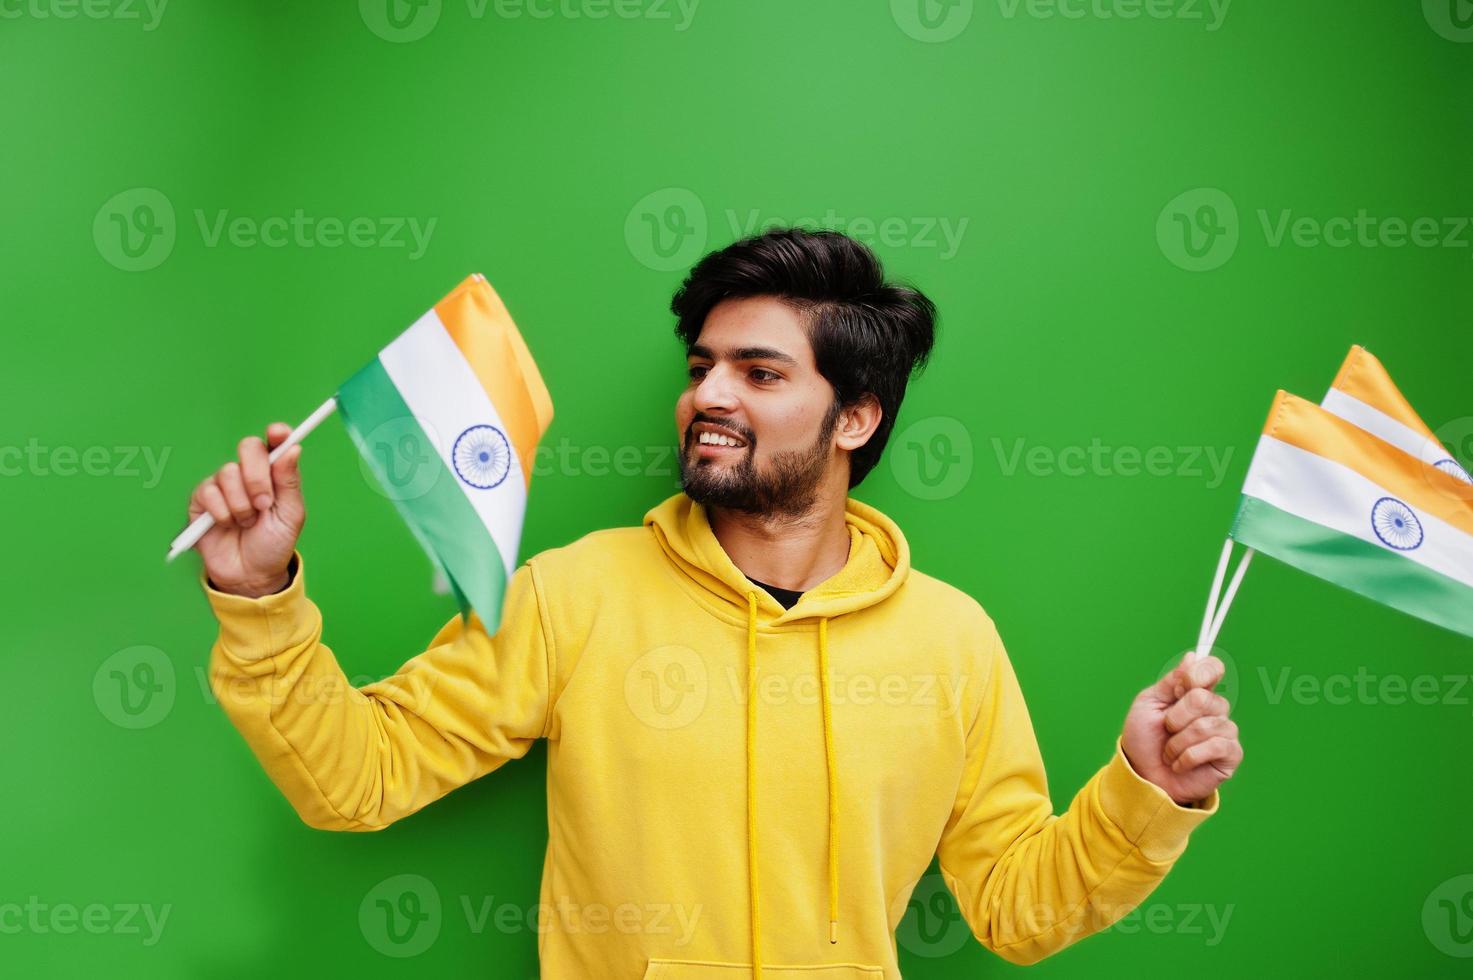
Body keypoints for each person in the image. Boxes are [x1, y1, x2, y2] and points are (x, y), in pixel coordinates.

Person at [186, 228, 1241, 979]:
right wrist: (256, 591)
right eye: (703, 366)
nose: (710, 395)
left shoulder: (952, 640)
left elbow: (1020, 905)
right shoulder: (576, 592)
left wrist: (1144, 788)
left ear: (855, 416)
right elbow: (355, 778)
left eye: (760, 370)